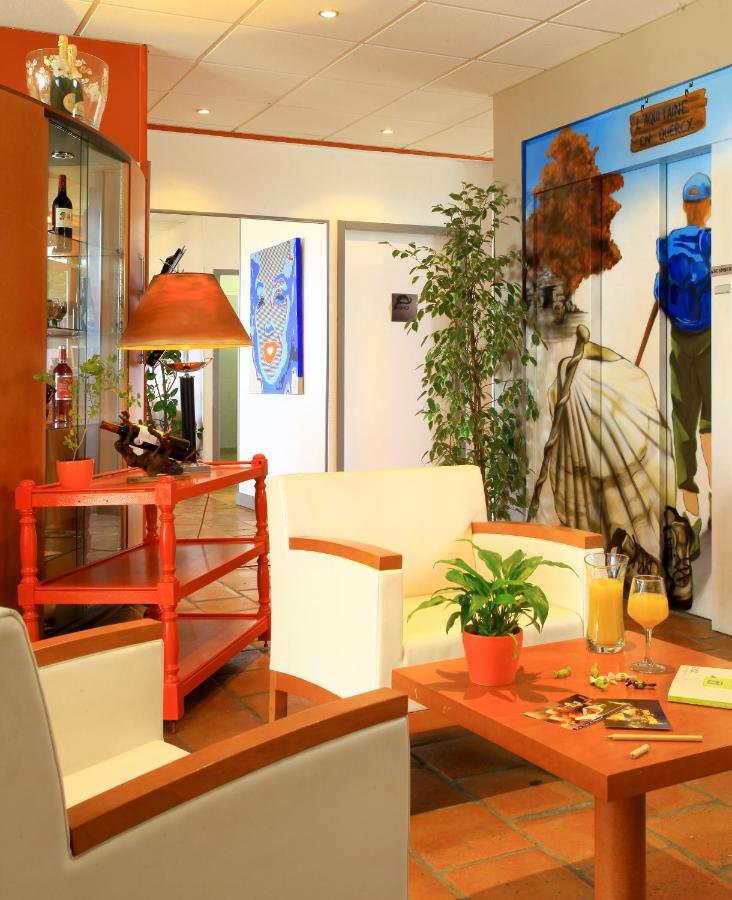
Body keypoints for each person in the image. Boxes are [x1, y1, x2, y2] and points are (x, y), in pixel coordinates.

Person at [654, 172, 712, 607]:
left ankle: (688, 508)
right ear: (706, 205)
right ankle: (714, 498)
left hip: (678, 339)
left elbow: (659, 291)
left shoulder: (669, 244)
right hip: (709, 338)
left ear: (684, 206)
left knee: (682, 420)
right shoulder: (712, 242)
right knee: (712, 418)